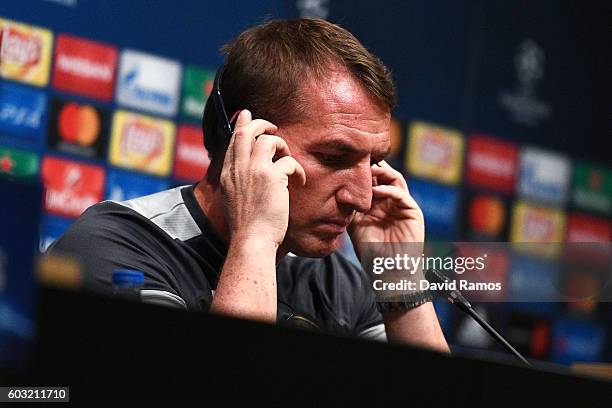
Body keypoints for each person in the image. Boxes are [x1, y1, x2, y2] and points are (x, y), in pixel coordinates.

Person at [48, 18, 449, 351]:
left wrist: (401, 280)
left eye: (375, 161)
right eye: (332, 158)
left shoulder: (337, 283)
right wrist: (255, 237)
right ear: (245, 140)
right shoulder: (118, 250)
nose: (361, 198)